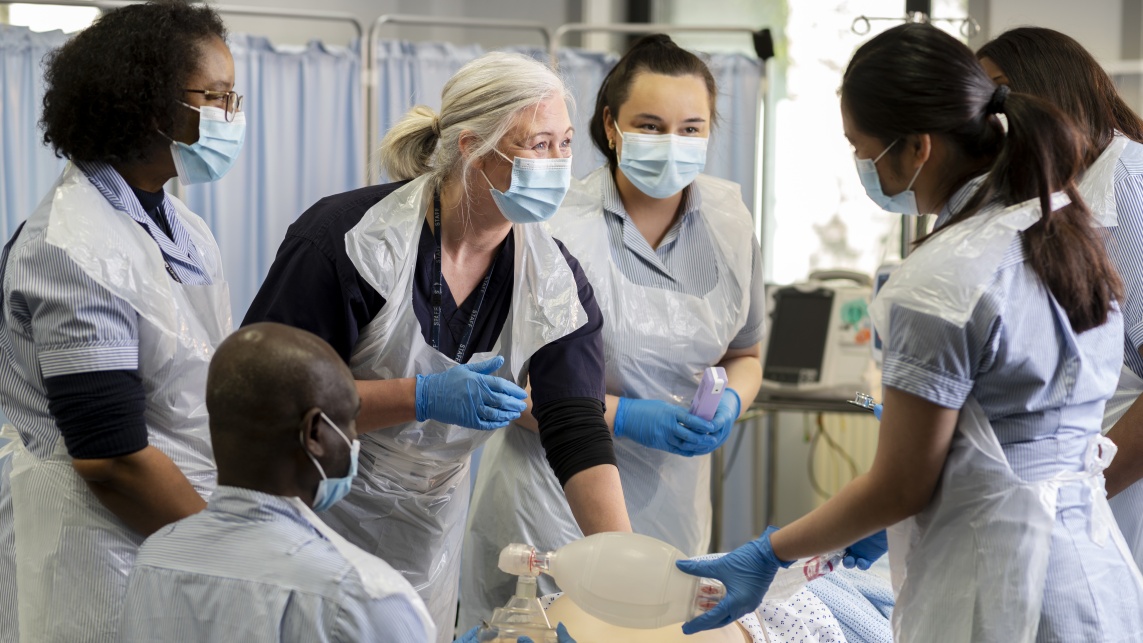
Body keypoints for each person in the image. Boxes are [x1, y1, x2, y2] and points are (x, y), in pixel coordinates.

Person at [677, 23, 1143, 642]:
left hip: (1001, 583)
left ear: (917, 148)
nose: (860, 166)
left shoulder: (938, 277)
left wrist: (771, 551)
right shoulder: (1064, 229)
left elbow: (900, 485)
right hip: (1095, 576)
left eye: (859, 147)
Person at [242, 51, 631, 642]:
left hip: (428, 527)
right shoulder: (351, 242)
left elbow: (574, 425)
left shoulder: (552, 278)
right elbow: (267, 398)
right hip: (313, 507)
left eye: (565, 144)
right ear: (473, 146)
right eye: (537, 145)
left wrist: (621, 565)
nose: (557, 165)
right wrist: (418, 396)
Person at [461, 34, 764, 627]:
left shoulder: (730, 224)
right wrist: (623, 415)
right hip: (548, 505)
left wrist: (733, 399)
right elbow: (498, 385)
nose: (671, 143)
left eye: (691, 128)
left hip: (672, 506)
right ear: (611, 124)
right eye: (650, 125)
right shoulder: (551, 223)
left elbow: (747, 351)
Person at [0, 2, 243, 641]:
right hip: (103, 553)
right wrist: (232, 556)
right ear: (152, 105)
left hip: (180, 526)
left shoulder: (183, 226)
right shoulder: (73, 243)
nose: (232, 116)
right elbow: (111, 456)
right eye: (217, 97)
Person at [118, 323, 433, 642]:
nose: (354, 441)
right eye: (350, 422)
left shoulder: (153, 559)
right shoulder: (365, 597)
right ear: (314, 433)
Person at [976, 26, 1143, 571]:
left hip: (1111, 495)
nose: (991, 118)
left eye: (1000, 95)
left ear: (1053, 90)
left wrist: (1078, 500)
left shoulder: (1127, 185)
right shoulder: (1058, 202)